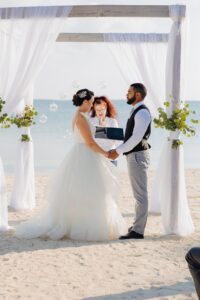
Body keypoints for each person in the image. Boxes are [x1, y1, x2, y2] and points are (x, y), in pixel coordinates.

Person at [15, 88, 126, 241]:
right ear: (86, 101)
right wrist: (106, 154)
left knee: (88, 192)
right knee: (91, 192)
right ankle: (85, 226)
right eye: (92, 102)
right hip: (86, 156)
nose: (92, 105)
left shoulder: (80, 116)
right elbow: (90, 143)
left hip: (82, 154)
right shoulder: (81, 117)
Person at [108, 83, 151, 240]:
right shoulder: (136, 110)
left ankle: (138, 231)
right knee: (138, 194)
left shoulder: (142, 113)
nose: (126, 94)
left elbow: (136, 138)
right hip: (134, 155)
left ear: (137, 95)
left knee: (140, 195)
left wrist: (117, 151)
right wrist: (116, 148)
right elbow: (129, 138)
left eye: (129, 92)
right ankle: (136, 226)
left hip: (138, 156)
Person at [89, 96, 119, 166]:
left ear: (106, 108)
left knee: (112, 176)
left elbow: (116, 139)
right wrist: (106, 131)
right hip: (96, 154)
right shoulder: (91, 121)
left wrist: (102, 129)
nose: (100, 112)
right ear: (94, 110)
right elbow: (89, 138)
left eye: (102, 109)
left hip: (110, 154)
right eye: (97, 110)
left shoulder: (112, 121)